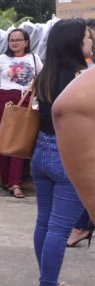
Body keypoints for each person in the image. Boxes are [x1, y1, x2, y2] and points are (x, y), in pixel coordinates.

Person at [30, 18, 91, 286]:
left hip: (40, 152)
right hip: (66, 156)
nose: (90, 42)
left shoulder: (44, 74)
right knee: (59, 228)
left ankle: (48, 281)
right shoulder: (82, 78)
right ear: (75, 44)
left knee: (45, 222)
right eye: (86, 38)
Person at [0, 28, 42, 198]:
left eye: (19, 39)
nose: (15, 43)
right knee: (4, 141)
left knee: (19, 143)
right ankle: (6, 181)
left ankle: (15, 183)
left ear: (26, 42)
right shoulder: (2, 59)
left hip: (25, 101)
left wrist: (36, 96)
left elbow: (42, 77)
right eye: (12, 40)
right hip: (5, 101)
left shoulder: (34, 58)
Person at [55, 66, 95, 225]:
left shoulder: (46, 71)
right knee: (59, 223)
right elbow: (66, 106)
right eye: (87, 39)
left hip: (47, 145)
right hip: (59, 146)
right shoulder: (77, 76)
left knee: (50, 220)